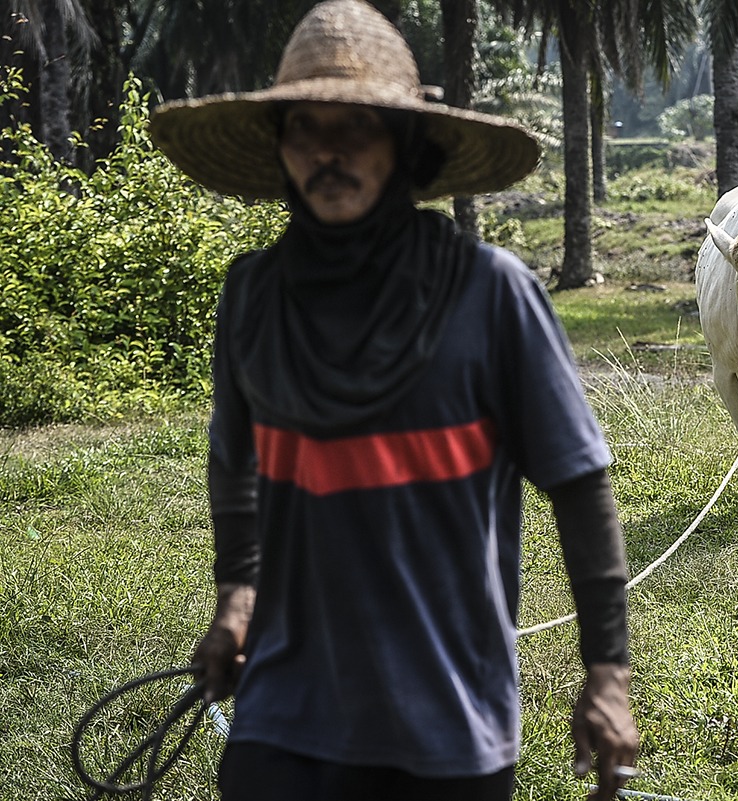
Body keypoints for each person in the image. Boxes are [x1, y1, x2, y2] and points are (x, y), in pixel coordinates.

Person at [148, 2, 638, 799]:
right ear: (279, 149)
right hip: (283, 712)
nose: (327, 150)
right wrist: (238, 592)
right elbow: (233, 460)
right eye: (303, 126)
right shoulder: (253, 296)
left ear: (407, 149)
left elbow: (580, 487)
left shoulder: (490, 295)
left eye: (360, 127)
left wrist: (608, 675)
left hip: (444, 720)